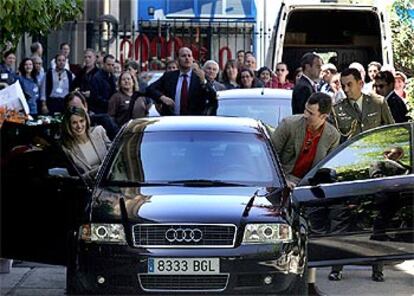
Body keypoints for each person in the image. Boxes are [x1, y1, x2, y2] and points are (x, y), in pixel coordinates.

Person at [271, 92, 340, 296]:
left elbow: (327, 169)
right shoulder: (289, 125)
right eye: (305, 110)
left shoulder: (332, 135)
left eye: (310, 113)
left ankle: (309, 284)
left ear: (324, 116)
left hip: (308, 189)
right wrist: (286, 181)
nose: (305, 115)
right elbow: (269, 158)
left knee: (311, 237)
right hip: (282, 186)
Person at [145, 47, 217, 116]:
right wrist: (162, 97)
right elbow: (150, 89)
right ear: (178, 59)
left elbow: (213, 97)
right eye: (183, 56)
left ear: (192, 59)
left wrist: (203, 81)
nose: (187, 58)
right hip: (172, 120)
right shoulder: (169, 76)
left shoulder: (199, 77)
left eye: (189, 56)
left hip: (194, 121)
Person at [331, 68, 394, 142]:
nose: (346, 89)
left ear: (360, 84)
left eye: (349, 85)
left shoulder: (378, 102)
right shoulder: (337, 109)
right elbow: (335, 140)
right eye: (343, 86)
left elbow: (392, 129)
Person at [61, 107, 111, 185]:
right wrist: (100, 170)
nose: (79, 126)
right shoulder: (67, 148)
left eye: (81, 121)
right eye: (74, 123)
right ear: (68, 125)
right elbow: (77, 179)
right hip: (89, 187)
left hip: (111, 181)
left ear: (86, 121)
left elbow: (114, 157)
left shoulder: (99, 131)